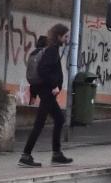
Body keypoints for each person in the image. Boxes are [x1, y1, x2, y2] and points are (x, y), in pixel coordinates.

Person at [18, 24, 73, 168]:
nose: (67, 39)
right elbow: (43, 70)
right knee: (40, 124)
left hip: (45, 92)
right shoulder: (52, 51)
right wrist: (54, 85)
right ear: (59, 36)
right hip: (47, 92)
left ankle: (56, 154)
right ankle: (26, 155)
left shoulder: (51, 50)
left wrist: (36, 92)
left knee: (59, 119)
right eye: (65, 36)